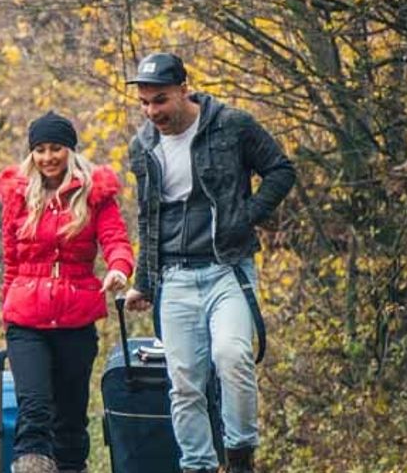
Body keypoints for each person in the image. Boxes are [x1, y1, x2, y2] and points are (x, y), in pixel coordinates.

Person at [122, 53, 295, 473]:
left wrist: (245, 216)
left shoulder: (231, 125)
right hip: (174, 277)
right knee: (184, 383)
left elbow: (280, 170)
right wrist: (143, 281)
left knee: (232, 356)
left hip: (227, 268)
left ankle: (240, 459)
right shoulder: (142, 146)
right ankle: (198, 465)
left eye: (160, 100)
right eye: (144, 103)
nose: (152, 112)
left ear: (184, 88)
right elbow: (149, 218)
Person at [0, 111, 135, 473]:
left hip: (76, 317)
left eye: (55, 148)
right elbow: (11, 261)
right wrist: (7, 310)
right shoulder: (19, 196)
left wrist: (119, 269)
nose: (47, 158)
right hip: (26, 320)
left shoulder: (95, 196)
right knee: (35, 407)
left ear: (69, 151)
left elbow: (116, 240)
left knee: (71, 415)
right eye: (39, 150)